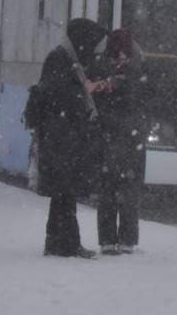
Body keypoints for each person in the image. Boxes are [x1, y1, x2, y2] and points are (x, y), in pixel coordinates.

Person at [35, 18, 108, 259]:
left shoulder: (66, 59)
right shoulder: (61, 60)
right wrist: (81, 98)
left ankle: (57, 242)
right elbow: (58, 98)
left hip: (62, 139)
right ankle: (66, 244)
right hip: (60, 140)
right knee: (65, 193)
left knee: (63, 195)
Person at [91, 28, 148, 255]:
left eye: (124, 53)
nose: (121, 57)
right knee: (123, 191)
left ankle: (116, 239)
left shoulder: (102, 69)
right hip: (127, 138)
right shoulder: (138, 69)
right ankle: (120, 239)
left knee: (113, 190)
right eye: (118, 53)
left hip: (114, 137)